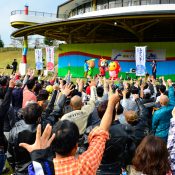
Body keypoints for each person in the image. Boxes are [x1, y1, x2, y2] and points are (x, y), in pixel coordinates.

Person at [19, 94, 120, 175]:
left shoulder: (43, 169)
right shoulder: (86, 164)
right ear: (76, 147)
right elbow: (101, 132)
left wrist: (38, 156)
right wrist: (111, 104)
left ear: (52, 145)